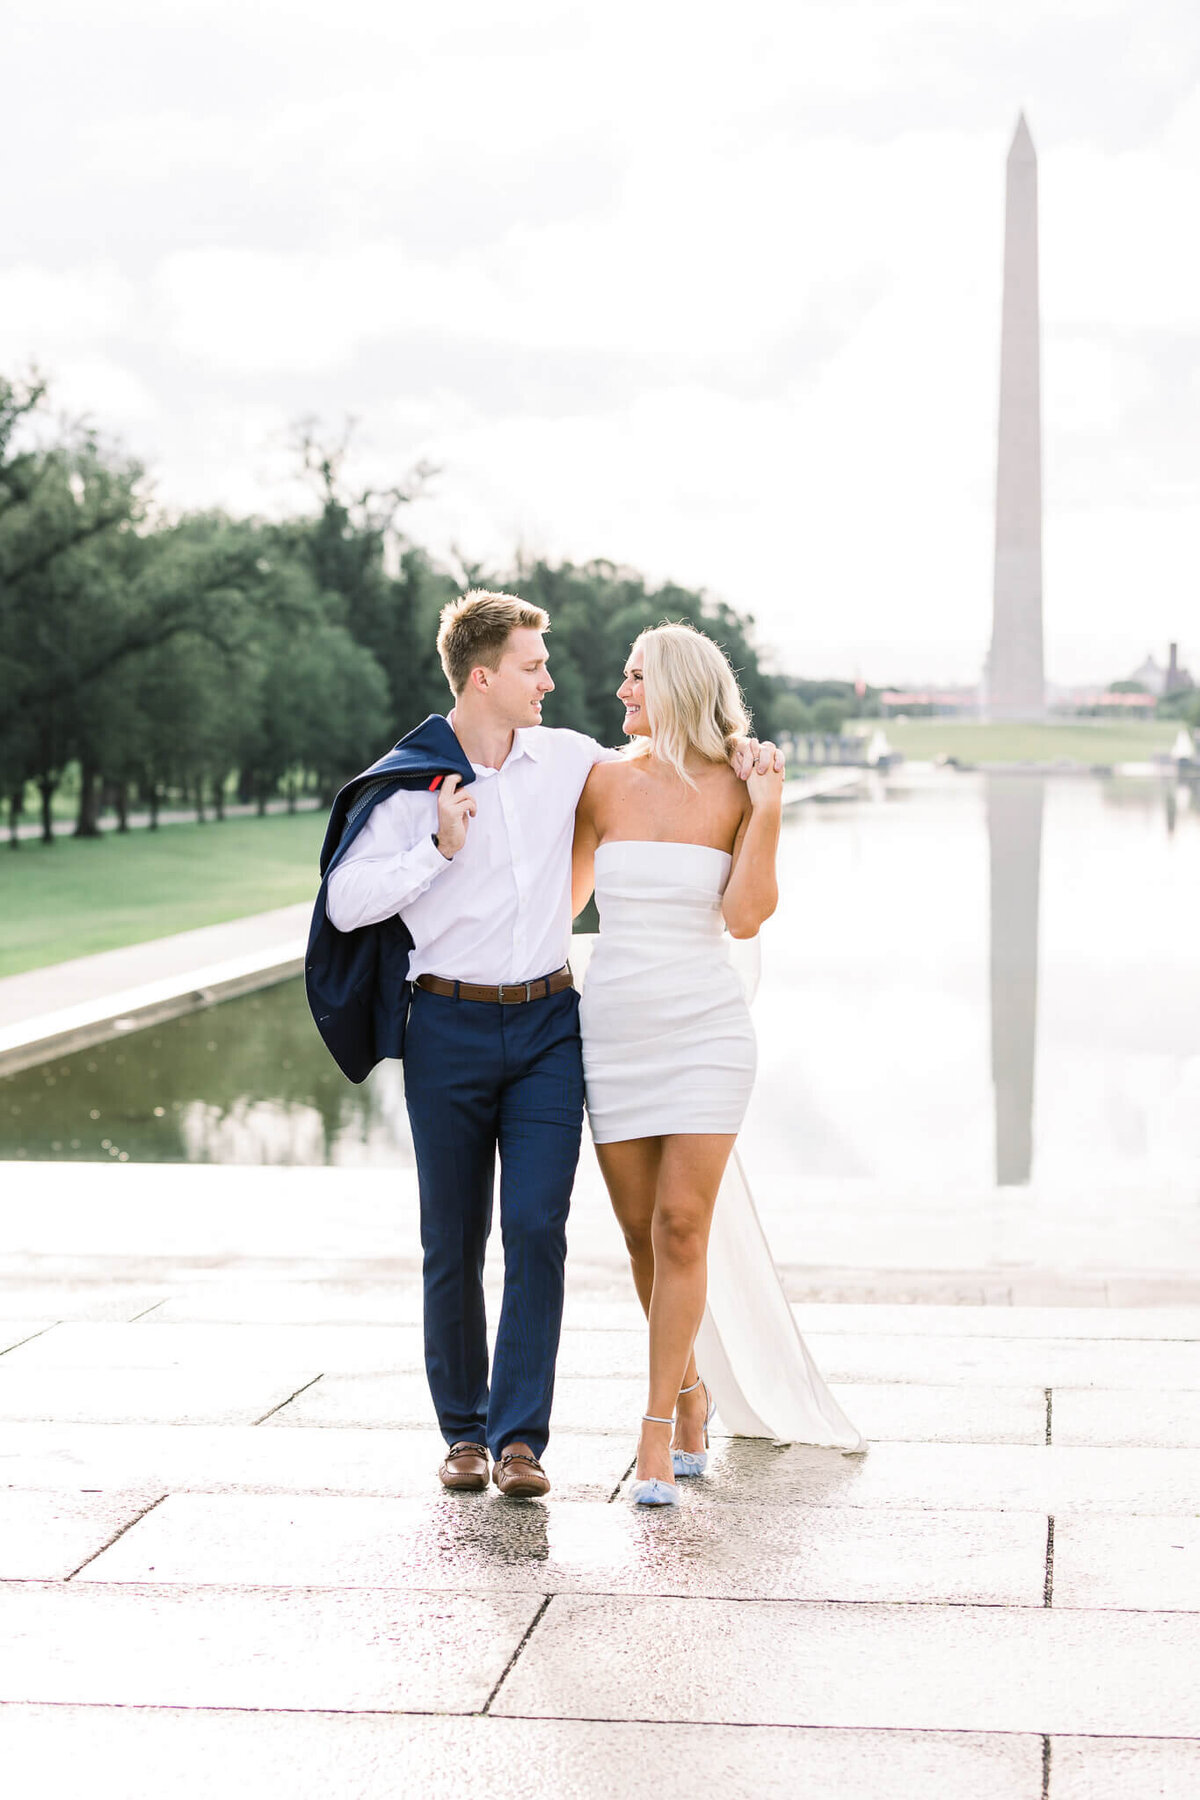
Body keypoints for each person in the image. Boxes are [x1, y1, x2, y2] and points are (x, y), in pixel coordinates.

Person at [317, 592, 778, 1501]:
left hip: (549, 1028)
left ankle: (522, 1441)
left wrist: (748, 766)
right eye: (534, 666)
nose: (558, 682)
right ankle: (465, 1435)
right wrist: (438, 852)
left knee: (538, 1229)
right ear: (484, 675)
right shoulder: (418, 785)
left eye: (551, 665)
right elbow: (344, 903)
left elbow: (676, 801)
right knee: (454, 1236)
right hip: (447, 1023)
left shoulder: (570, 760)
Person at [572, 623, 862, 1507]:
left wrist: (768, 807)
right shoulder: (600, 782)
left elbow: (744, 917)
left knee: (682, 1227)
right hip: (616, 1028)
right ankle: (691, 1388)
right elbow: (559, 902)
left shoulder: (741, 788)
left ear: (675, 686)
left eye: (633, 677)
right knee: (636, 1235)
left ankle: (655, 1429)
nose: (620, 692)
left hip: (706, 1029)